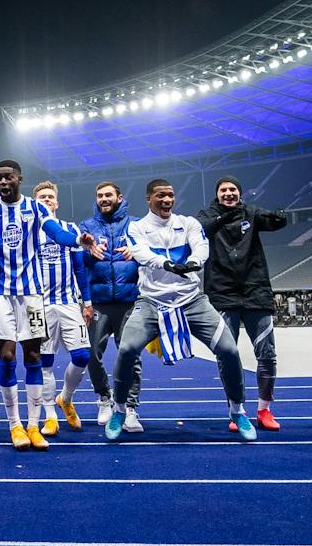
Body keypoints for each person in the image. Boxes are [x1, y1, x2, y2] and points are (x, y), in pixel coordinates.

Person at [106, 178, 255, 443]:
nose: (167, 200)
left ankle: (237, 410)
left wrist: (194, 261)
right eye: (161, 196)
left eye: (171, 195)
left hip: (192, 301)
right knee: (127, 349)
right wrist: (168, 264)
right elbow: (141, 253)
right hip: (151, 302)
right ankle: (119, 409)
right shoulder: (136, 227)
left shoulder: (189, 223)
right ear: (149, 199)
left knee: (229, 350)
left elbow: (201, 246)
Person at [0, 162, 98, 450]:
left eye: (8, 177)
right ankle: (15, 425)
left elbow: (57, 234)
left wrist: (79, 239)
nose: (3, 182)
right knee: (7, 356)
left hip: (30, 293)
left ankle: (33, 425)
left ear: (19, 179)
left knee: (33, 357)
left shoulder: (36, 208)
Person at [198, 177, 290, 431]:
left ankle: (264, 409)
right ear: (217, 194)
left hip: (255, 291)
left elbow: (277, 222)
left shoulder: (250, 212)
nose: (228, 193)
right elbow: (202, 229)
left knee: (267, 354)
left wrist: (279, 214)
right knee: (227, 355)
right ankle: (236, 410)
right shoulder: (207, 215)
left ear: (240, 193)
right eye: (224, 190)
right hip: (223, 293)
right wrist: (224, 217)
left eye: (233, 190)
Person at [34, 182, 94, 432]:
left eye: (50, 197)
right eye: (42, 197)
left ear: (57, 203)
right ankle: (50, 416)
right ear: (35, 204)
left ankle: (65, 398)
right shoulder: (29, 232)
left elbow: (80, 269)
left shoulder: (70, 229)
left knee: (82, 356)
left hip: (69, 303)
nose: (47, 200)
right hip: (40, 306)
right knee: (45, 362)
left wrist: (87, 303)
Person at [81, 180, 140, 429]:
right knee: (91, 355)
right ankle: (104, 398)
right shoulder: (87, 226)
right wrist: (87, 251)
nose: (104, 199)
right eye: (100, 195)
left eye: (108, 195)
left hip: (129, 301)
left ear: (119, 197)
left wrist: (138, 252)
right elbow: (77, 259)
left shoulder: (136, 225)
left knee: (131, 356)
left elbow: (153, 254)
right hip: (98, 302)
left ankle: (130, 408)